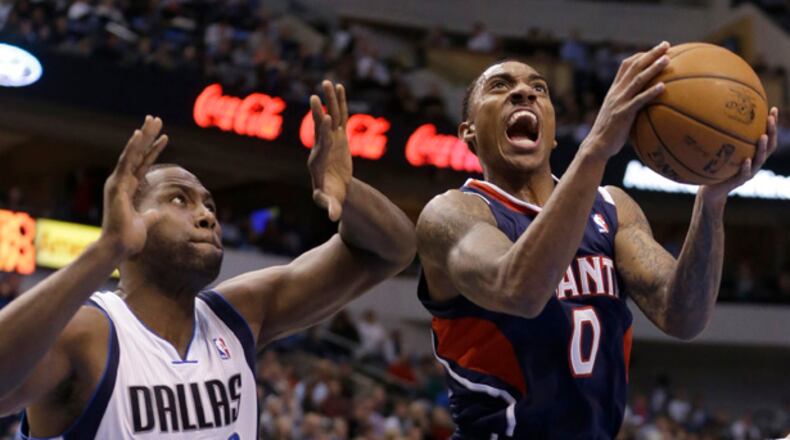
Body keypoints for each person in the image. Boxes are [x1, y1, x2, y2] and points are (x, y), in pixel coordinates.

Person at [0, 80, 416, 439]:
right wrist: (105, 250)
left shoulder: (239, 315)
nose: (206, 215)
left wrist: (350, 189)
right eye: (179, 199)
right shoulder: (89, 332)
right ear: (128, 212)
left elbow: (392, 250)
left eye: (210, 205)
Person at [416, 41, 779, 438]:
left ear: (552, 132)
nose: (524, 93)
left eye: (539, 89)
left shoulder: (612, 208)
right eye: (500, 86)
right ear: (467, 131)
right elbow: (519, 290)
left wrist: (711, 202)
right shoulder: (451, 214)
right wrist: (596, 147)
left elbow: (683, 317)